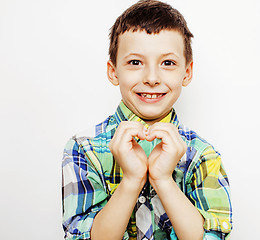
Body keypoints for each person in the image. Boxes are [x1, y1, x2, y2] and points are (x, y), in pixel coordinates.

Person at [62, 0, 232, 239]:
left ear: (187, 72)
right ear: (113, 71)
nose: (152, 77)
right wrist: (131, 180)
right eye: (135, 62)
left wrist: (163, 179)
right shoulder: (83, 148)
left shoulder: (203, 155)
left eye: (168, 63)